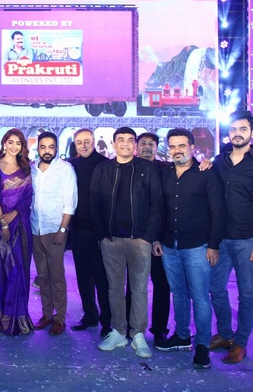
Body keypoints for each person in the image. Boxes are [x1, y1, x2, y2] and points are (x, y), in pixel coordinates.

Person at [210, 110, 253, 364]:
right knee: (215, 288)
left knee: (246, 294)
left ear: (252, 132)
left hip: (249, 240)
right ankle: (225, 335)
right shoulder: (219, 161)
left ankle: (240, 343)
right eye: (233, 129)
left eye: (242, 129)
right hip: (221, 240)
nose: (237, 134)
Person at [154, 128, 225, 369]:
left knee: (200, 296)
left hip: (198, 246)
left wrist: (213, 245)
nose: (177, 150)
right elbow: (160, 209)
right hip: (169, 245)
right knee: (178, 292)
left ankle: (202, 344)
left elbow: (218, 212)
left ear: (192, 147)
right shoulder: (164, 173)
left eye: (181, 145)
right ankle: (182, 335)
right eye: (172, 146)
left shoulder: (207, 173)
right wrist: (157, 239)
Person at [90, 127, 163, 358]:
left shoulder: (146, 168)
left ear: (135, 145)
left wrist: (148, 236)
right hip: (111, 240)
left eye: (130, 140)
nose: (125, 144)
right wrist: (102, 236)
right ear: (113, 144)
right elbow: (94, 204)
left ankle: (138, 333)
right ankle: (119, 331)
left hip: (139, 240)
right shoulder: (102, 169)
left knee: (139, 289)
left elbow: (157, 203)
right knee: (114, 289)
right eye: (120, 140)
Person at [30, 132, 78, 336]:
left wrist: (63, 229)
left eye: (51, 147)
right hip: (35, 229)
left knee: (57, 276)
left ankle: (60, 318)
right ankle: (47, 314)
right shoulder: (32, 168)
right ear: (38, 148)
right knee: (42, 276)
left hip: (55, 230)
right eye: (43, 147)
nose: (47, 150)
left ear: (56, 148)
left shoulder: (65, 169)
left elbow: (70, 201)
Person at [0, 129, 34, 336]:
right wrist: (2, 221)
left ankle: (17, 316)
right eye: (11, 142)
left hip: (21, 225)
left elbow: (27, 198)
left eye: (18, 143)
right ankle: (1, 316)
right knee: (1, 270)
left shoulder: (26, 169)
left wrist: (14, 214)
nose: (14, 146)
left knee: (18, 270)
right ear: (4, 143)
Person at [126, 132, 170, 346]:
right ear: (136, 146)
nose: (146, 147)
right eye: (142, 143)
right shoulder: (128, 167)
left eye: (150, 144)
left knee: (162, 285)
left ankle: (159, 329)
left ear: (156, 147)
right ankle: (130, 326)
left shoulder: (166, 169)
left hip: (160, 238)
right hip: (134, 237)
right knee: (133, 284)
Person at [68, 128, 111, 338]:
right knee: (83, 276)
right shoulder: (71, 166)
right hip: (77, 229)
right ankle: (90, 315)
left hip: (99, 232)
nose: (83, 145)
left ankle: (107, 320)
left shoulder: (106, 164)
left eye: (87, 141)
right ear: (75, 145)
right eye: (79, 142)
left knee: (102, 278)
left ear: (94, 142)